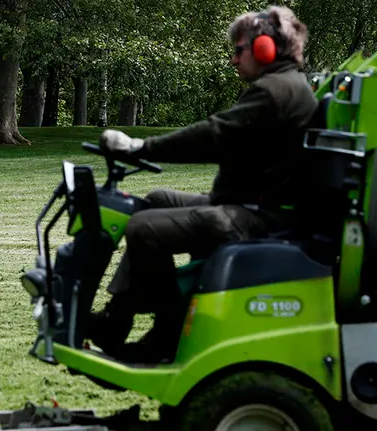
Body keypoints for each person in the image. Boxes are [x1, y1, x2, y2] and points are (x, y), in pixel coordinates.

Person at [87, 5, 318, 363]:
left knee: (144, 229)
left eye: (239, 50)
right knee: (156, 199)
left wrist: (140, 147)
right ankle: (117, 318)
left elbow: (214, 136)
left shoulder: (274, 92)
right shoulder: (285, 86)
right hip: (252, 204)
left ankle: (168, 333)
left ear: (265, 48)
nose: (233, 59)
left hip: (262, 217)